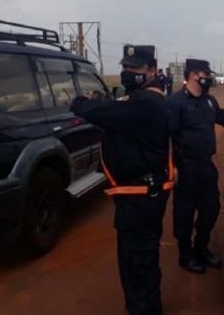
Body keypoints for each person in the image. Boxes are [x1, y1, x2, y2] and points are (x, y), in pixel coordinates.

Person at [70, 45, 172, 315]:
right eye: (125, 67)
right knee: (142, 260)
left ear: (152, 71)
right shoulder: (143, 100)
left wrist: (80, 102)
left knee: (136, 263)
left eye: (135, 68)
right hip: (140, 194)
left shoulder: (147, 103)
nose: (128, 73)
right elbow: (116, 111)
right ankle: (149, 306)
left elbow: (106, 114)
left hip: (140, 198)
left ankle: (144, 309)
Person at [169, 58, 224, 273]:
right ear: (193, 75)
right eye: (206, 74)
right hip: (185, 166)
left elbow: (223, 117)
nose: (209, 78)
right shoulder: (176, 102)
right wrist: (172, 165)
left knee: (211, 209)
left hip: (206, 166)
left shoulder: (209, 101)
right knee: (184, 213)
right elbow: (168, 136)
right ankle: (185, 253)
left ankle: (201, 248)